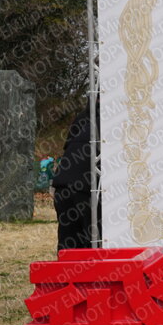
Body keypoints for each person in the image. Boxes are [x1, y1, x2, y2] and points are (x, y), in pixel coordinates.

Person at [52, 101, 100, 251]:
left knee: (68, 242)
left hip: (63, 182)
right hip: (86, 186)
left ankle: (66, 265)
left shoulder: (83, 117)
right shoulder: (114, 118)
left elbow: (68, 146)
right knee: (94, 241)